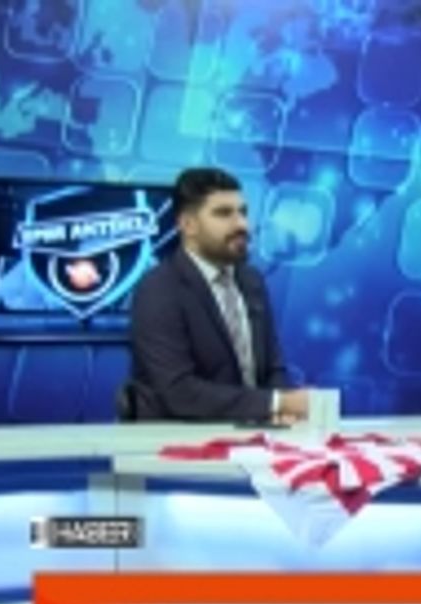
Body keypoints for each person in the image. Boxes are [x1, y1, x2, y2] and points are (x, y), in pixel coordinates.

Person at [127, 167, 308, 422]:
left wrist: (281, 408)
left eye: (243, 212)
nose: (242, 224)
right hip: (180, 439)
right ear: (188, 225)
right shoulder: (158, 289)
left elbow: (272, 368)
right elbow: (179, 392)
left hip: (254, 434)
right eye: (224, 214)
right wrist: (275, 403)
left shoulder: (251, 280)